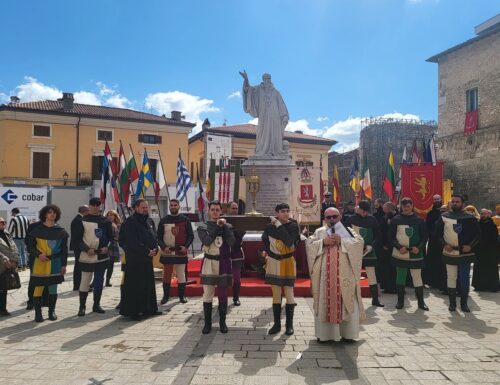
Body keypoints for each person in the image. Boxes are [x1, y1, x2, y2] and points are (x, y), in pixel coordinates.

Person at [306, 207, 365, 343]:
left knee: (347, 301)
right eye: (329, 217)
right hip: (324, 277)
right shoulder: (319, 232)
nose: (332, 219)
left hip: (345, 275)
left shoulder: (348, 231)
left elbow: (360, 243)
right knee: (325, 301)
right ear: (325, 218)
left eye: (335, 216)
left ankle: (348, 334)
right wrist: (322, 242)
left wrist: (342, 241)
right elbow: (309, 244)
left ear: (340, 216)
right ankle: (326, 336)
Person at [435, 194, 480, 312]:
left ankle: (464, 304)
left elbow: (478, 234)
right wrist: (444, 245)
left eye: (457, 202)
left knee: (464, 278)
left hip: (465, 253)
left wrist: (470, 246)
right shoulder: (444, 216)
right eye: (453, 201)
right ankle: (452, 304)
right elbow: (437, 234)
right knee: (451, 277)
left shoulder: (470, 217)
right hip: (449, 253)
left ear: (462, 204)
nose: (455, 203)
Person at [262, 203, 300, 336]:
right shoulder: (269, 227)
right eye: (282, 211)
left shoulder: (293, 226)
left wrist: (278, 225)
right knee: (276, 294)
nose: (286, 213)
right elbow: (264, 240)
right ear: (277, 213)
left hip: (288, 262)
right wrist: (270, 254)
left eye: (287, 211)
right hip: (273, 262)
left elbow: (290, 242)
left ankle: (289, 326)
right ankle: (277, 325)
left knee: (289, 294)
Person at [119, 199, 161, 320]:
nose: (145, 209)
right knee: (135, 285)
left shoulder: (149, 220)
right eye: (143, 207)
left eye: (146, 207)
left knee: (148, 284)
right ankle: (134, 311)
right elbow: (131, 241)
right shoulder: (129, 223)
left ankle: (149, 309)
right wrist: (146, 251)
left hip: (148, 260)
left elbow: (154, 236)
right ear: (136, 208)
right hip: (135, 259)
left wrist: (155, 249)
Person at [198, 200, 235, 334]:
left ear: (221, 211)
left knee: (223, 294)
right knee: (208, 293)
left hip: (223, 262)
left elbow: (231, 242)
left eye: (217, 210)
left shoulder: (228, 226)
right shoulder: (203, 227)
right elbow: (207, 241)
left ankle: (222, 323)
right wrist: (218, 228)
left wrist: (224, 227)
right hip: (209, 262)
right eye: (212, 209)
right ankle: (207, 324)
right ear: (208, 211)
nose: (214, 212)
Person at [27, 205, 68, 322]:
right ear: (45, 214)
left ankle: (52, 311)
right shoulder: (36, 230)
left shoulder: (61, 231)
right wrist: (38, 254)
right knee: (38, 288)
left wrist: (64, 265)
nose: (52, 214)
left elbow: (64, 250)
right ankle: (38, 313)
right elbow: (30, 247)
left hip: (55, 262)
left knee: (53, 288)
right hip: (39, 262)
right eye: (50, 212)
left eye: (54, 212)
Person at [74, 198, 113, 317]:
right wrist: (87, 249)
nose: (95, 207)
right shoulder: (82, 221)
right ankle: (82, 307)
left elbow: (111, 238)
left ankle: (96, 305)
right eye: (93, 205)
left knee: (99, 281)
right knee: (85, 280)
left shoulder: (105, 221)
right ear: (89, 206)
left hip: (102, 255)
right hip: (87, 255)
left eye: (97, 205)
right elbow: (77, 240)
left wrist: (107, 247)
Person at [389, 197, 429, 311]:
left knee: (417, 278)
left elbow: (425, 236)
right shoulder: (395, 220)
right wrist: (398, 247)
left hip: (415, 253)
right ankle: (400, 302)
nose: (406, 208)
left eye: (408, 206)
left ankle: (421, 303)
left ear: (412, 206)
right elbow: (390, 237)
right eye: (404, 206)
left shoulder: (419, 220)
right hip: (400, 253)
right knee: (400, 278)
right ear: (401, 207)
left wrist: (419, 247)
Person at [240, 71, 289, 157]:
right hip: (263, 116)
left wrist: (284, 116)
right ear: (263, 80)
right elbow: (248, 90)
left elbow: (281, 104)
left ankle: (276, 151)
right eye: (266, 79)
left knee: (275, 134)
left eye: (269, 79)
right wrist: (246, 79)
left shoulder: (276, 92)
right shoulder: (258, 90)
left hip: (275, 117)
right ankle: (263, 151)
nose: (268, 81)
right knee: (262, 134)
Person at [347, 200, 383, 307]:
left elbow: (378, 234)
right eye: (364, 211)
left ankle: (375, 299)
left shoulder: (372, 219)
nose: (365, 213)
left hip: (369, 250)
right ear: (359, 209)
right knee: (355, 275)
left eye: (367, 211)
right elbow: (345, 235)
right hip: (355, 250)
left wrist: (372, 245)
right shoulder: (350, 219)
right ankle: (354, 300)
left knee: (371, 275)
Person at [157, 199, 194, 304]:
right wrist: (164, 247)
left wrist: (186, 247)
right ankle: (165, 297)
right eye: (171, 205)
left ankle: (182, 296)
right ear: (169, 207)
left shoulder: (185, 220)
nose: (173, 206)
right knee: (167, 274)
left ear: (178, 206)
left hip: (180, 251)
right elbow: (158, 236)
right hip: (167, 252)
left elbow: (190, 235)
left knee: (181, 274)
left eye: (175, 205)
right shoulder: (163, 220)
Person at [472, 209, 499, 292]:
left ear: (488, 215)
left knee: (491, 269)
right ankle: (479, 286)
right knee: (479, 269)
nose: (483, 215)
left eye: (485, 214)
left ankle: (492, 286)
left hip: (490, 251)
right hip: (480, 251)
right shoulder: (477, 224)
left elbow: (495, 239)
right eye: (482, 213)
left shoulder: (492, 225)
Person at [424, 194, 447, 293]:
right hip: (433, 242)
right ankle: (432, 282)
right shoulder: (430, 214)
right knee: (433, 262)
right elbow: (428, 227)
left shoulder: (446, 213)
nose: (436, 200)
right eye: (434, 199)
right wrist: (433, 235)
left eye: (438, 199)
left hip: (444, 242)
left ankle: (442, 283)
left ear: (441, 200)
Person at [0, 217, 19, 316]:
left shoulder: (7, 233)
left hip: (9, 266)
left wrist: (15, 260)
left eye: (4, 222)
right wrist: (5, 260)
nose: (2, 224)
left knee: (4, 288)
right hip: (2, 265)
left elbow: (14, 246)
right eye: (0, 222)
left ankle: (3, 309)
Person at [227, 201, 245, 306]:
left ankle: (236, 298)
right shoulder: (223, 219)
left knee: (237, 277)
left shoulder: (241, 221)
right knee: (223, 276)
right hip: (224, 253)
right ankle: (222, 298)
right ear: (228, 209)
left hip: (236, 251)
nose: (234, 210)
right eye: (233, 208)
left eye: (236, 208)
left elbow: (241, 234)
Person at [379, 202, 397, 293]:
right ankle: (387, 286)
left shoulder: (396, 217)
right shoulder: (385, 217)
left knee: (393, 268)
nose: (383, 209)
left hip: (393, 246)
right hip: (386, 246)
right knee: (386, 267)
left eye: (384, 207)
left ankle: (394, 287)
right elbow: (382, 232)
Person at [70, 205, 89, 291]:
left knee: (79, 266)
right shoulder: (78, 220)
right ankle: (77, 286)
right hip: (79, 247)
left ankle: (79, 285)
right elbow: (78, 236)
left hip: (78, 246)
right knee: (78, 266)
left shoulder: (79, 219)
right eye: (88, 210)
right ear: (84, 211)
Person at [105, 210, 121, 287]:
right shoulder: (104, 224)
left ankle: (107, 280)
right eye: (109, 215)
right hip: (106, 245)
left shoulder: (118, 225)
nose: (110, 216)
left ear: (115, 216)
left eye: (112, 215)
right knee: (103, 264)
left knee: (111, 264)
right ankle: (95, 281)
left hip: (114, 245)